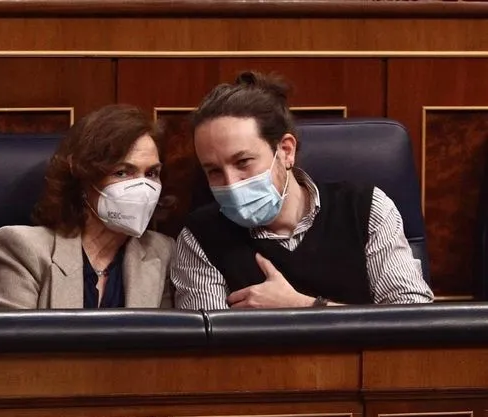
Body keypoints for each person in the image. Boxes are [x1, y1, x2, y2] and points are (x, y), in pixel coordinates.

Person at [172, 71, 433, 310]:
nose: (231, 183)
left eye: (243, 162)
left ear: (286, 151)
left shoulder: (367, 209)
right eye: (214, 171)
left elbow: (413, 325)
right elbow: (209, 352)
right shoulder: (200, 238)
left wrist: (304, 307)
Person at [0, 104, 176, 310]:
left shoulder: (162, 253)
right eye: (122, 172)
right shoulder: (24, 249)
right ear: (83, 178)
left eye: (152, 173)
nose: (143, 188)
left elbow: (164, 340)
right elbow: (7, 340)